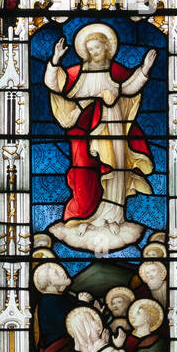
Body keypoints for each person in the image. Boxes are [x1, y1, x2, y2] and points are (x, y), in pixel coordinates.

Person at [44, 24, 156, 253]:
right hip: (84, 134)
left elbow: (129, 88)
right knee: (85, 175)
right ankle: (86, 219)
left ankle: (114, 216)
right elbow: (54, 85)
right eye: (90, 49)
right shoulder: (76, 73)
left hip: (114, 130)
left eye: (98, 48)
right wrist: (55, 62)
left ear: (107, 49)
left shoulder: (116, 72)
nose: (95, 53)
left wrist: (144, 70)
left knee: (116, 171)